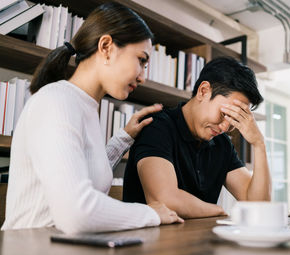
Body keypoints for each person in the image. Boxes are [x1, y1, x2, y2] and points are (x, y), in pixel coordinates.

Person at [1, 2, 183, 234]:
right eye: (141, 60)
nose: (143, 77)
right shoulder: (57, 100)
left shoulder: (84, 107)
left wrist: (124, 138)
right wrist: (151, 213)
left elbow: (84, 174)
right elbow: (77, 212)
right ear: (106, 46)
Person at [123, 56, 272, 219]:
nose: (224, 127)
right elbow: (165, 200)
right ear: (204, 91)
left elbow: (259, 204)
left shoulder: (222, 143)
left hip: (199, 240)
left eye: (234, 119)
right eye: (224, 114)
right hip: (150, 241)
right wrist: (219, 211)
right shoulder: (157, 126)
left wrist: (259, 144)